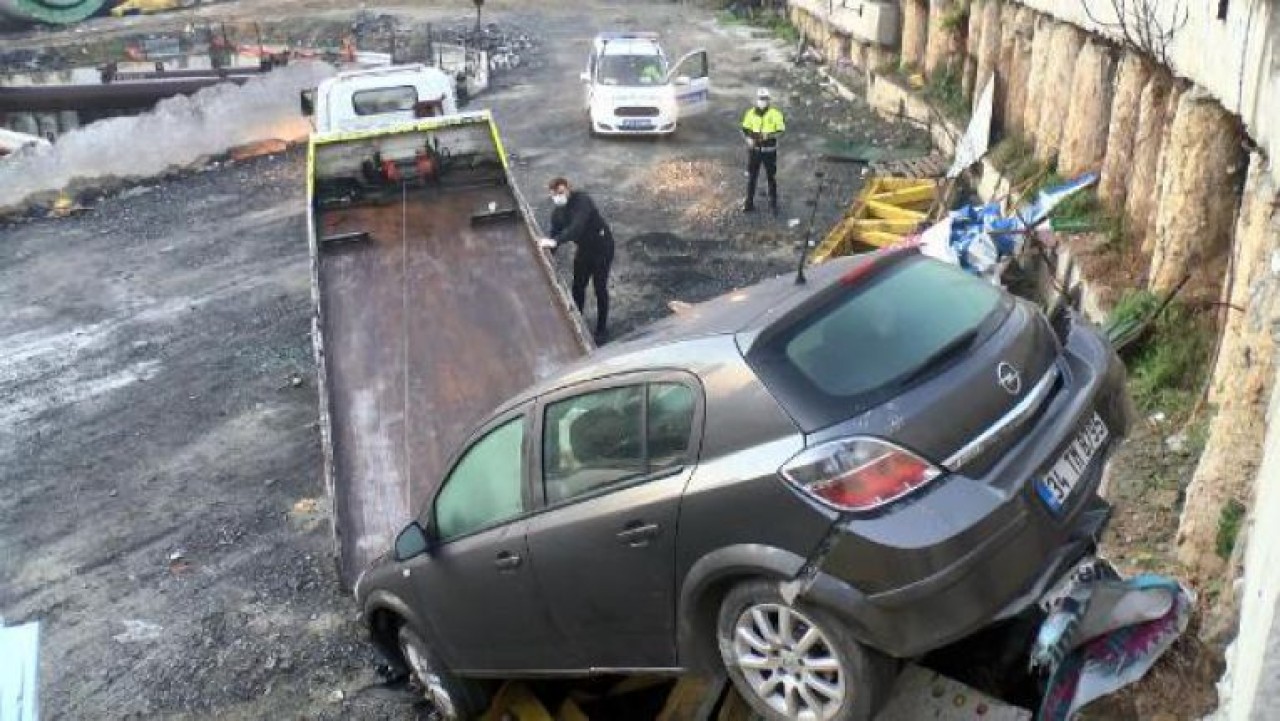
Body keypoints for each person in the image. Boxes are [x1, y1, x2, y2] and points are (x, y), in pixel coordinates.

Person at [539, 177, 616, 344]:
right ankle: (578, 319)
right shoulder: (558, 214)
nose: (558, 196)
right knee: (578, 285)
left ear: (568, 189)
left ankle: (602, 329)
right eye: (554, 194)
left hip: (603, 247)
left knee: (599, 287)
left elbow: (576, 228)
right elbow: (553, 235)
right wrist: (547, 252)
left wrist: (556, 241)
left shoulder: (582, 201)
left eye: (561, 192)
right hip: (584, 250)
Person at [740, 86, 786, 214]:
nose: (763, 101)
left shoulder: (776, 114)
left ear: (769, 100)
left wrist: (769, 135)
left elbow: (781, 131)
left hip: (769, 152)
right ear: (756, 99)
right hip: (754, 151)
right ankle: (748, 204)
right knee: (752, 178)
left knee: (771, 177)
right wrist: (747, 139)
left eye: (765, 98)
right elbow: (744, 129)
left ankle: (773, 204)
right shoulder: (750, 113)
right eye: (761, 98)